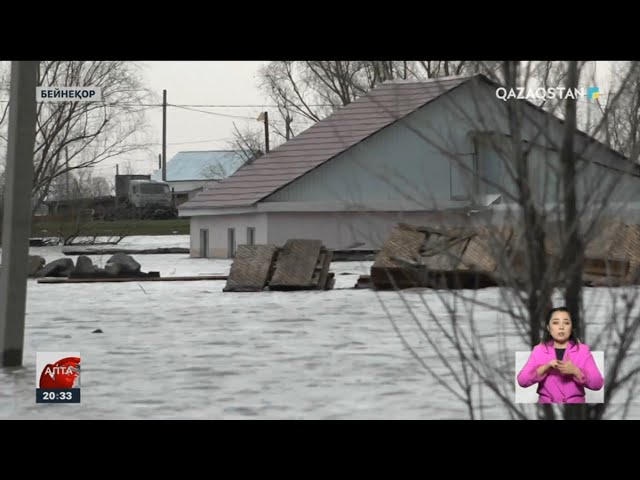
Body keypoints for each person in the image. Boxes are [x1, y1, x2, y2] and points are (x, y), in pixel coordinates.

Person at [517, 306, 604, 404]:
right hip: (548, 408)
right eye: (555, 322)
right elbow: (522, 381)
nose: (561, 327)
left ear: (571, 328)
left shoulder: (582, 350)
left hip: (574, 409)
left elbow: (597, 384)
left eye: (566, 323)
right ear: (548, 328)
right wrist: (546, 367)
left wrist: (576, 371)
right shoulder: (539, 350)